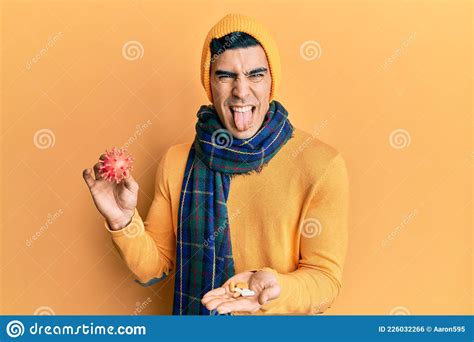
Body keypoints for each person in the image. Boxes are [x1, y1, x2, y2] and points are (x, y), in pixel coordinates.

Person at [82, 13, 349, 315]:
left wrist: (276, 288)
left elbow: (325, 281)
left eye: (255, 75)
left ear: (271, 82)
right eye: (226, 76)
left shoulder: (321, 164)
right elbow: (153, 270)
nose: (241, 91)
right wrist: (122, 221)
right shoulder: (177, 162)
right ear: (209, 84)